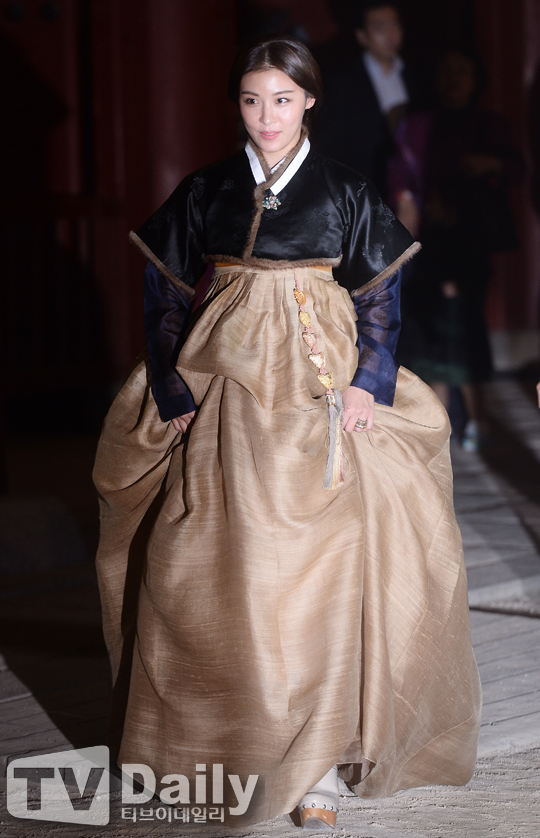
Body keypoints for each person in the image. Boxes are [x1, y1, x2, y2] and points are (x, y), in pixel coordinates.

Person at [93, 35, 481, 830]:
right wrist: (170, 384)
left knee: (327, 570)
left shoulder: (343, 189)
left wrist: (369, 381)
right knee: (210, 569)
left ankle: (318, 771)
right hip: (224, 389)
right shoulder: (207, 189)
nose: (266, 116)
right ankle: (221, 747)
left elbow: (380, 295)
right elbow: (163, 293)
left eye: (281, 99)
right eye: (251, 100)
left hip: (319, 385)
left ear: (308, 100)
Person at [388, 47, 523, 451]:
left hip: (470, 241)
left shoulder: (489, 124)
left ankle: (477, 420)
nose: (453, 78)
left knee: (467, 327)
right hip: (427, 240)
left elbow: (516, 168)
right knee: (430, 330)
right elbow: (399, 171)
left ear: (476, 78)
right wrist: (406, 199)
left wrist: (487, 164)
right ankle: (440, 423)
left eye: (462, 70)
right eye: (446, 69)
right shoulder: (418, 123)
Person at [315, 1, 422, 195]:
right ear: (362, 35)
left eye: (395, 25)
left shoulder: (416, 76)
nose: (390, 34)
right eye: (380, 28)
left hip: (412, 189)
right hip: (363, 189)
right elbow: (332, 143)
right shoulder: (343, 83)